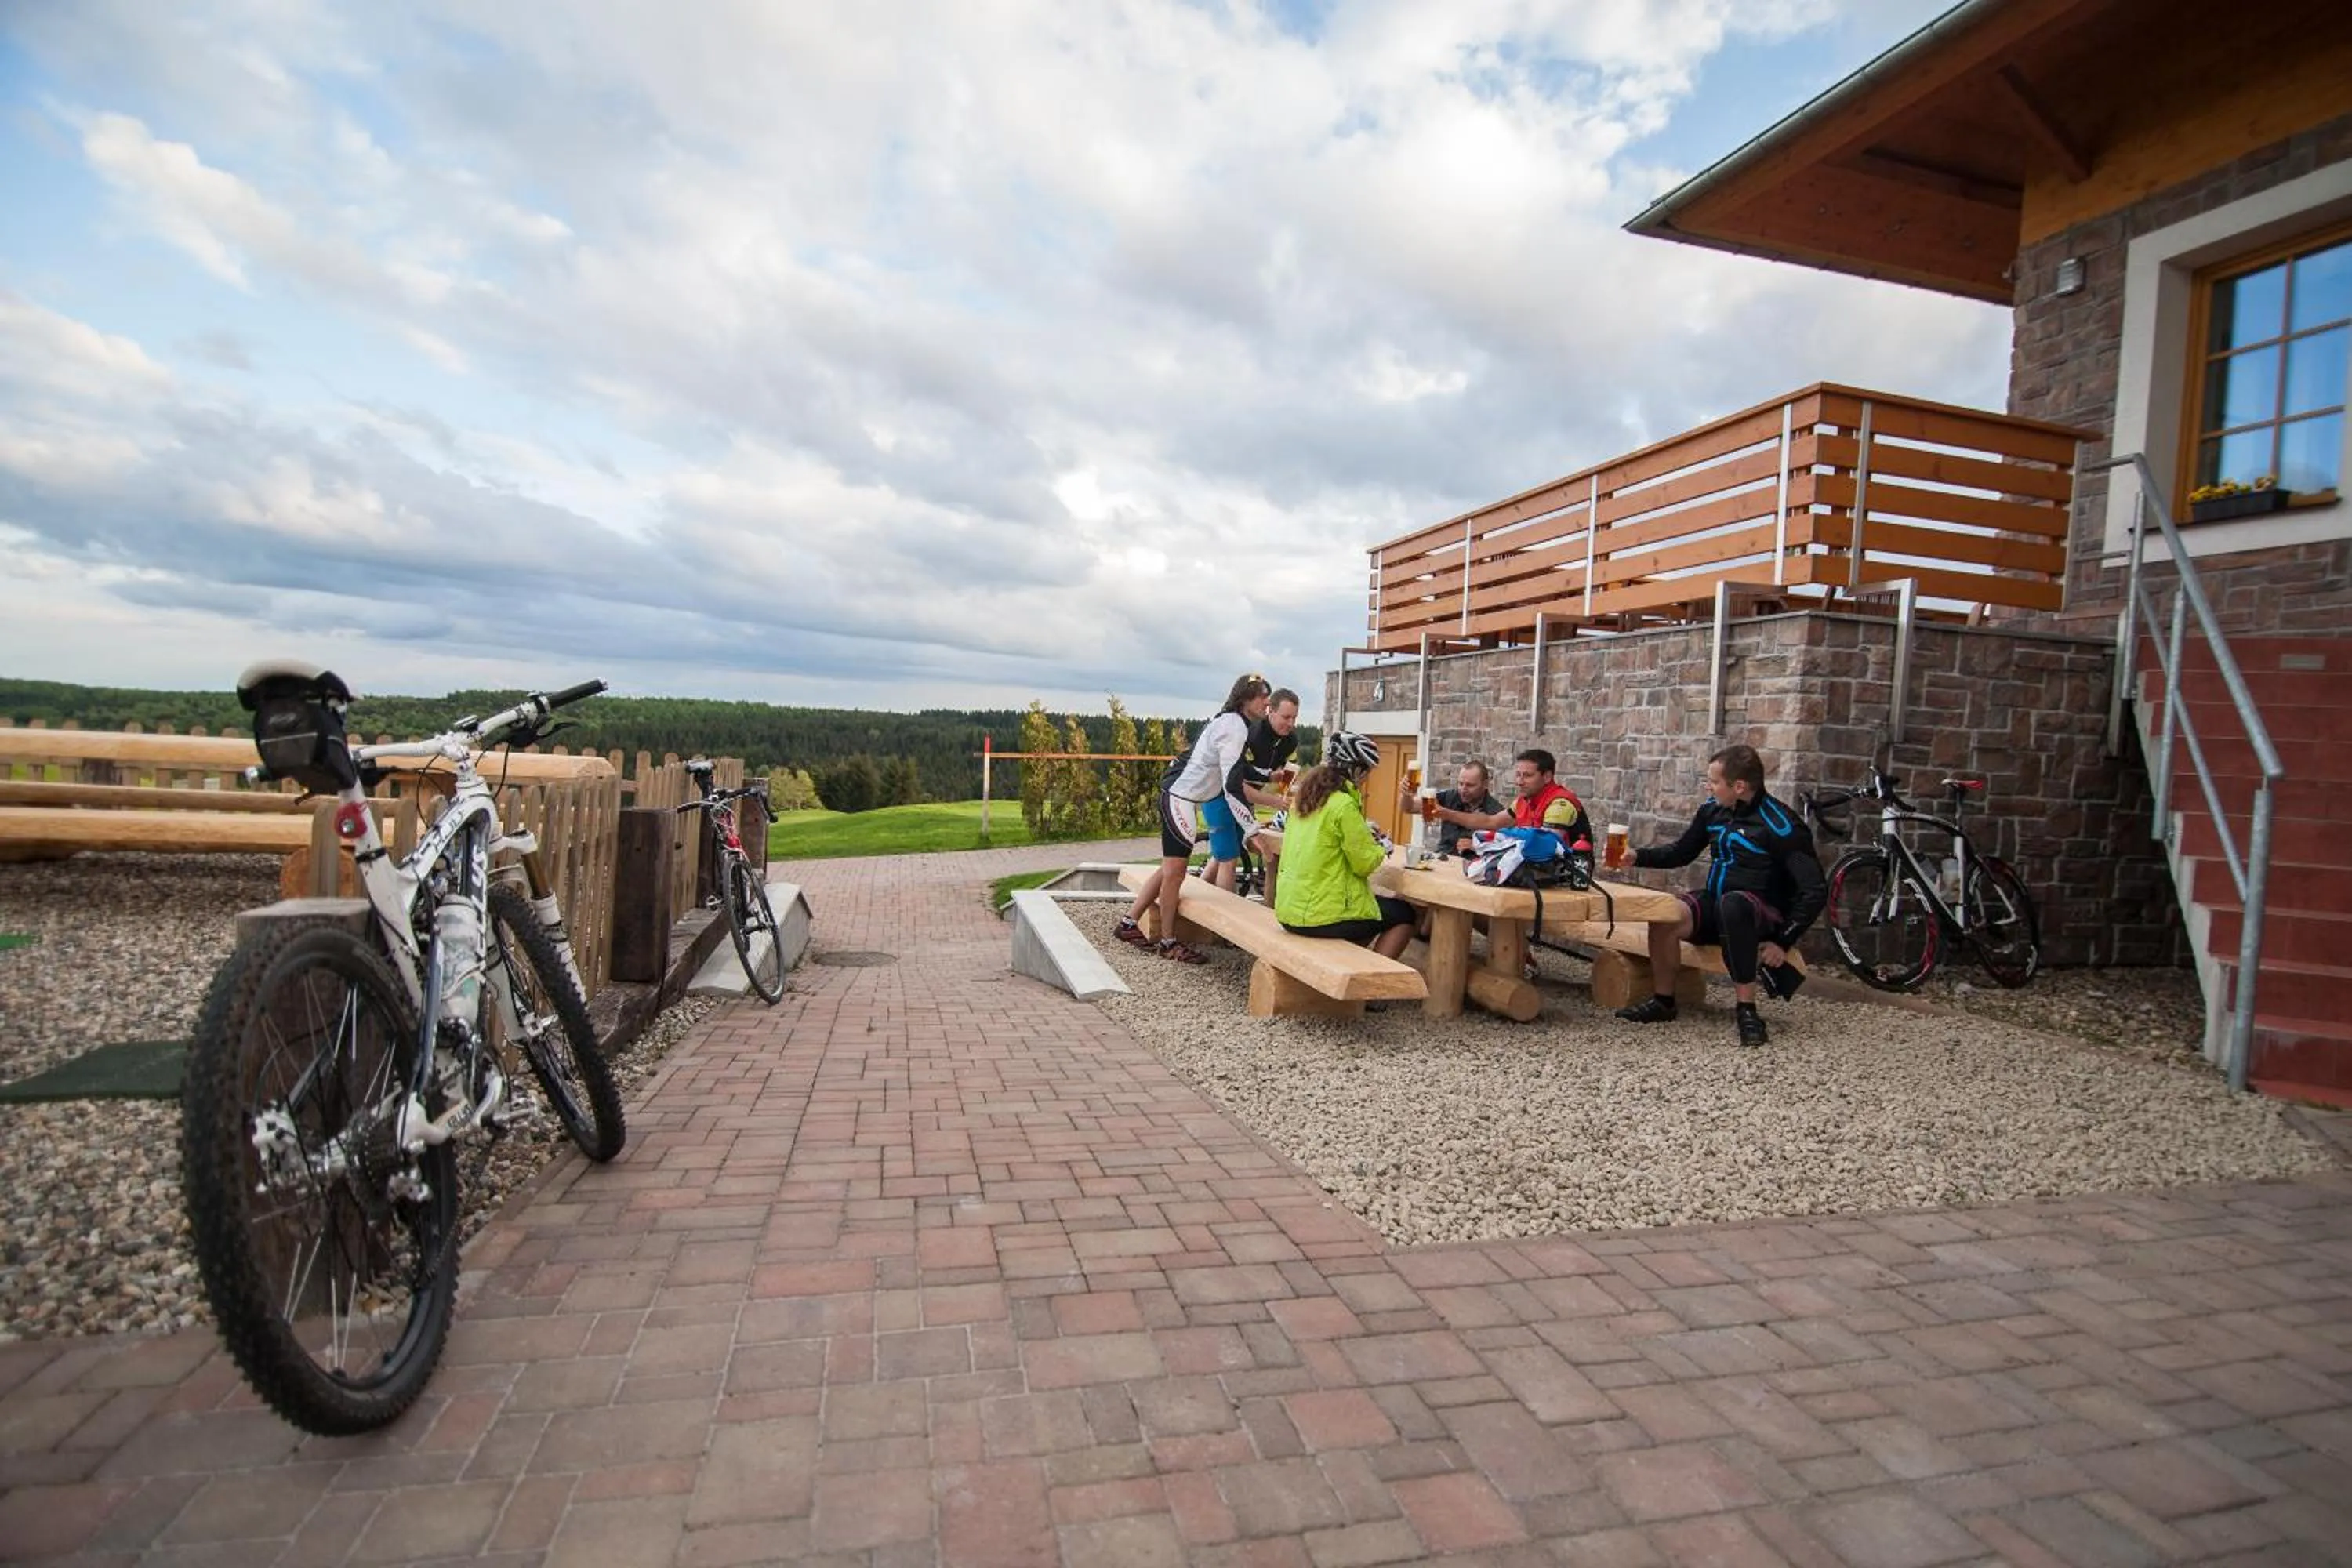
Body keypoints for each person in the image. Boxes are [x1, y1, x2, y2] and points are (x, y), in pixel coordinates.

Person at [1610, 742, 1825, 1047]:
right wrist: (1637, 856)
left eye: (1713, 782)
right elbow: (1681, 852)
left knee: (1734, 904)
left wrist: (1783, 940)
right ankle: (1664, 1002)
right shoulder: (1713, 810)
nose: (1707, 787)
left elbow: (1814, 889)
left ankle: (1747, 1011)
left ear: (1739, 786)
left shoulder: (1781, 825)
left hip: (1761, 913)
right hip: (1719, 902)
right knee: (1665, 913)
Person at [1113, 673, 1272, 962]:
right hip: (1180, 798)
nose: (1267, 703)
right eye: (1263, 697)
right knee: (1175, 873)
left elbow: (1235, 766)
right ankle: (1169, 942)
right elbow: (1232, 787)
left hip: (1180, 794)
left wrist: (1266, 775)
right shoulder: (1235, 727)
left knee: (1168, 870)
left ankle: (1128, 923)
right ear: (1246, 698)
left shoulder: (1230, 722)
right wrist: (1252, 830)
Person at [1274, 731, 1417, 960]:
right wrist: (1384, 847)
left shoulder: (1303, 800)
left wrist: (1362, 831)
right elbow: (1364, 865)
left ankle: (1352, 965)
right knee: (1404, 913)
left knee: (1372, 912)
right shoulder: (1343, 805)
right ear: (1355, 770)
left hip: (1289, 910)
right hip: (1320, 916)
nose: (1364, 779)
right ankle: (1371, 979)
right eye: (1366, 772)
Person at [1207, 688, 1299, 901]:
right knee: (1229, 860)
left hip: (1245, 798)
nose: (1291, 723)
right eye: (1286, 717)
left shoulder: (1291, 740)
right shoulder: (1251, 733)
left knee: (1222, 855)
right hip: (1221, 793)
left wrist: (1286, 791)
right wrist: (1275, 801)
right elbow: (1236, 785)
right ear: (1271, 711)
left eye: (1295, 718)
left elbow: (1289, 770)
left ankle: (1199, 897)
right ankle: (1224, 924)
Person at [1451, 748, 1595, 851]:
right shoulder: (1524, 800)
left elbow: (1543, 845)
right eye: (1518, 775)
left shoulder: (1560, 804)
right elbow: (1492, 822)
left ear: (1547, 777)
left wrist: (1482, 844)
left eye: (1527, 775)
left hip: (1566, 880)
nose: (1520, 781)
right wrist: (1446, 814)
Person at [1401, 758, 1504, 855]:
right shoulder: (1450, 797)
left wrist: (1478, 846)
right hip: (1442, 859)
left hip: (1472, 867)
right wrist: (1406, 794)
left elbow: (1505, 847)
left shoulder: (1497, 812)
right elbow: (1409, 808)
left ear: (1485, 784)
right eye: (1460, 783)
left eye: (1470, 785)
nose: (1463, 789)